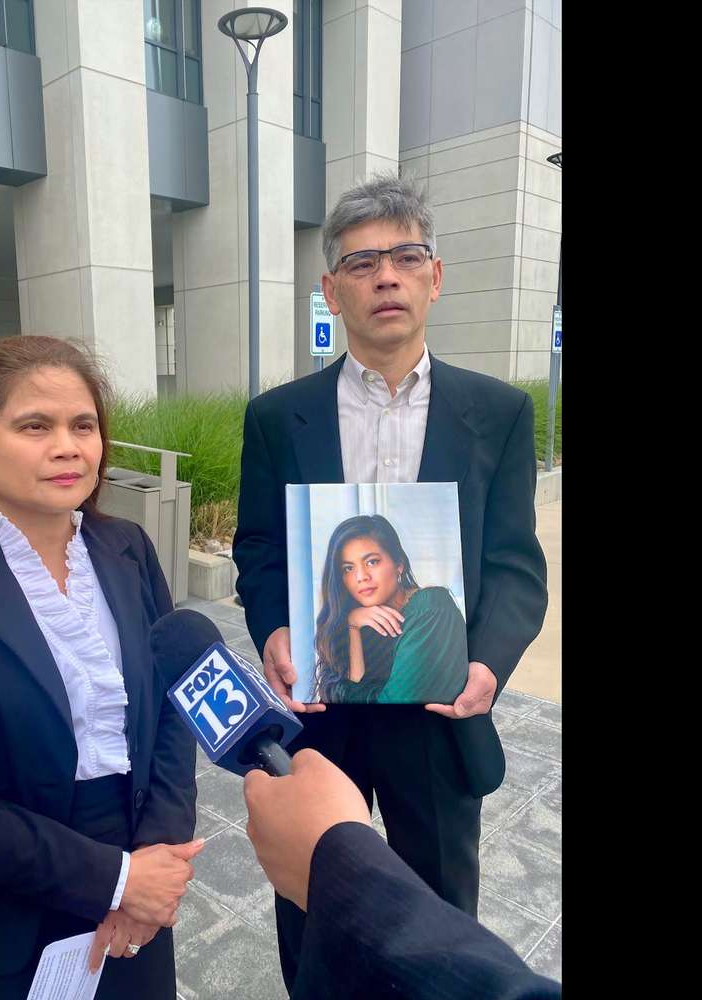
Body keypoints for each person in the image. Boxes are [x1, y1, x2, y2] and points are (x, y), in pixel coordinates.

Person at [232, 172, 548, 990]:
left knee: (440, 917)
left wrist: (486, 664)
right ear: (331, 289)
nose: (386, 277)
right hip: (321, 709)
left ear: (434, 277)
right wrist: (274, 627)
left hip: (438, 713)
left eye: (406, 256)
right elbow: (260, 546)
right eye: (362, 262)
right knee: (311, 905)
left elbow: (516, 564)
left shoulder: (499, 413)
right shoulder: (276, 416)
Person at [0, 335, 201, 1000]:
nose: (68, 446)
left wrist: (155, 864)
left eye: (84, 425)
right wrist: (114, 879)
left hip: (139, 873)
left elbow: (173, 706)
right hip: (3, 900)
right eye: (35, 426)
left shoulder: (129, 551)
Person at [243, 749, 562, 1000]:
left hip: (431, 714)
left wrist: (335, 863)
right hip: (314, 711)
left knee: (443, 897)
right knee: (299, 906)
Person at [314, 513, 468, 705]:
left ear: (399, 564)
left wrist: (343, 695)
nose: (361, 576)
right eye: (348, 568)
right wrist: (352, 626)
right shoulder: (359, 621)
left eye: (372, 562)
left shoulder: (431, 609)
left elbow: (390, 706)